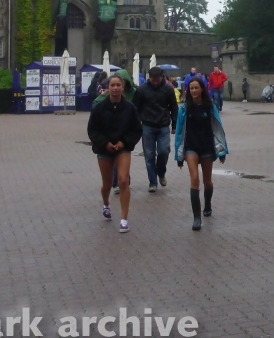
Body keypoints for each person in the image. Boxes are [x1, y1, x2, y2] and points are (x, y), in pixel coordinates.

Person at [86, 74, 142, 233]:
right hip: (104, 148)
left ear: (123, 87)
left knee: (123, 180)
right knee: (107, 184)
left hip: (123, 147)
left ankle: (124, 219)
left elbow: (137, 129)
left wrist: (124, 142)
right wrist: (105, 143)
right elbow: (92, 130)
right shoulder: (99, 108)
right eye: (113, 85)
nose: (116, 88)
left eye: (118, 85)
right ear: (107, 88)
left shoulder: (130, 108)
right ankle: (106, 203)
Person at [175, 77, 229, 231]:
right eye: (191, 88)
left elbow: (218, 129)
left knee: (207, 181)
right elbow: (179, 132)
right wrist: (179, 156)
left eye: (196, 88)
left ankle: (208, 204)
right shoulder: (184, 108)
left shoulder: (210, 107)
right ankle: (196, 218)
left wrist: (222, 151)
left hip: (207, 147)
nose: (193, 91)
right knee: (194, 178)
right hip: (191, 147)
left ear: (202, 89)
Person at [133, 65, 177, 193]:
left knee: (164, 151)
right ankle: (153, 182)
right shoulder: (141, 90)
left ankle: (161, 172)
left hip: (163, 125)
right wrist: (137, 123)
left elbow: (174, 107)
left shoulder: (168, 89)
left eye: (157, 78)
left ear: (162, 77)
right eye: (153, 78)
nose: (155, 81)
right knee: (149, 155)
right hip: (147, 125)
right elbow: (135, 108)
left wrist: (174, 124)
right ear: (149, 78)